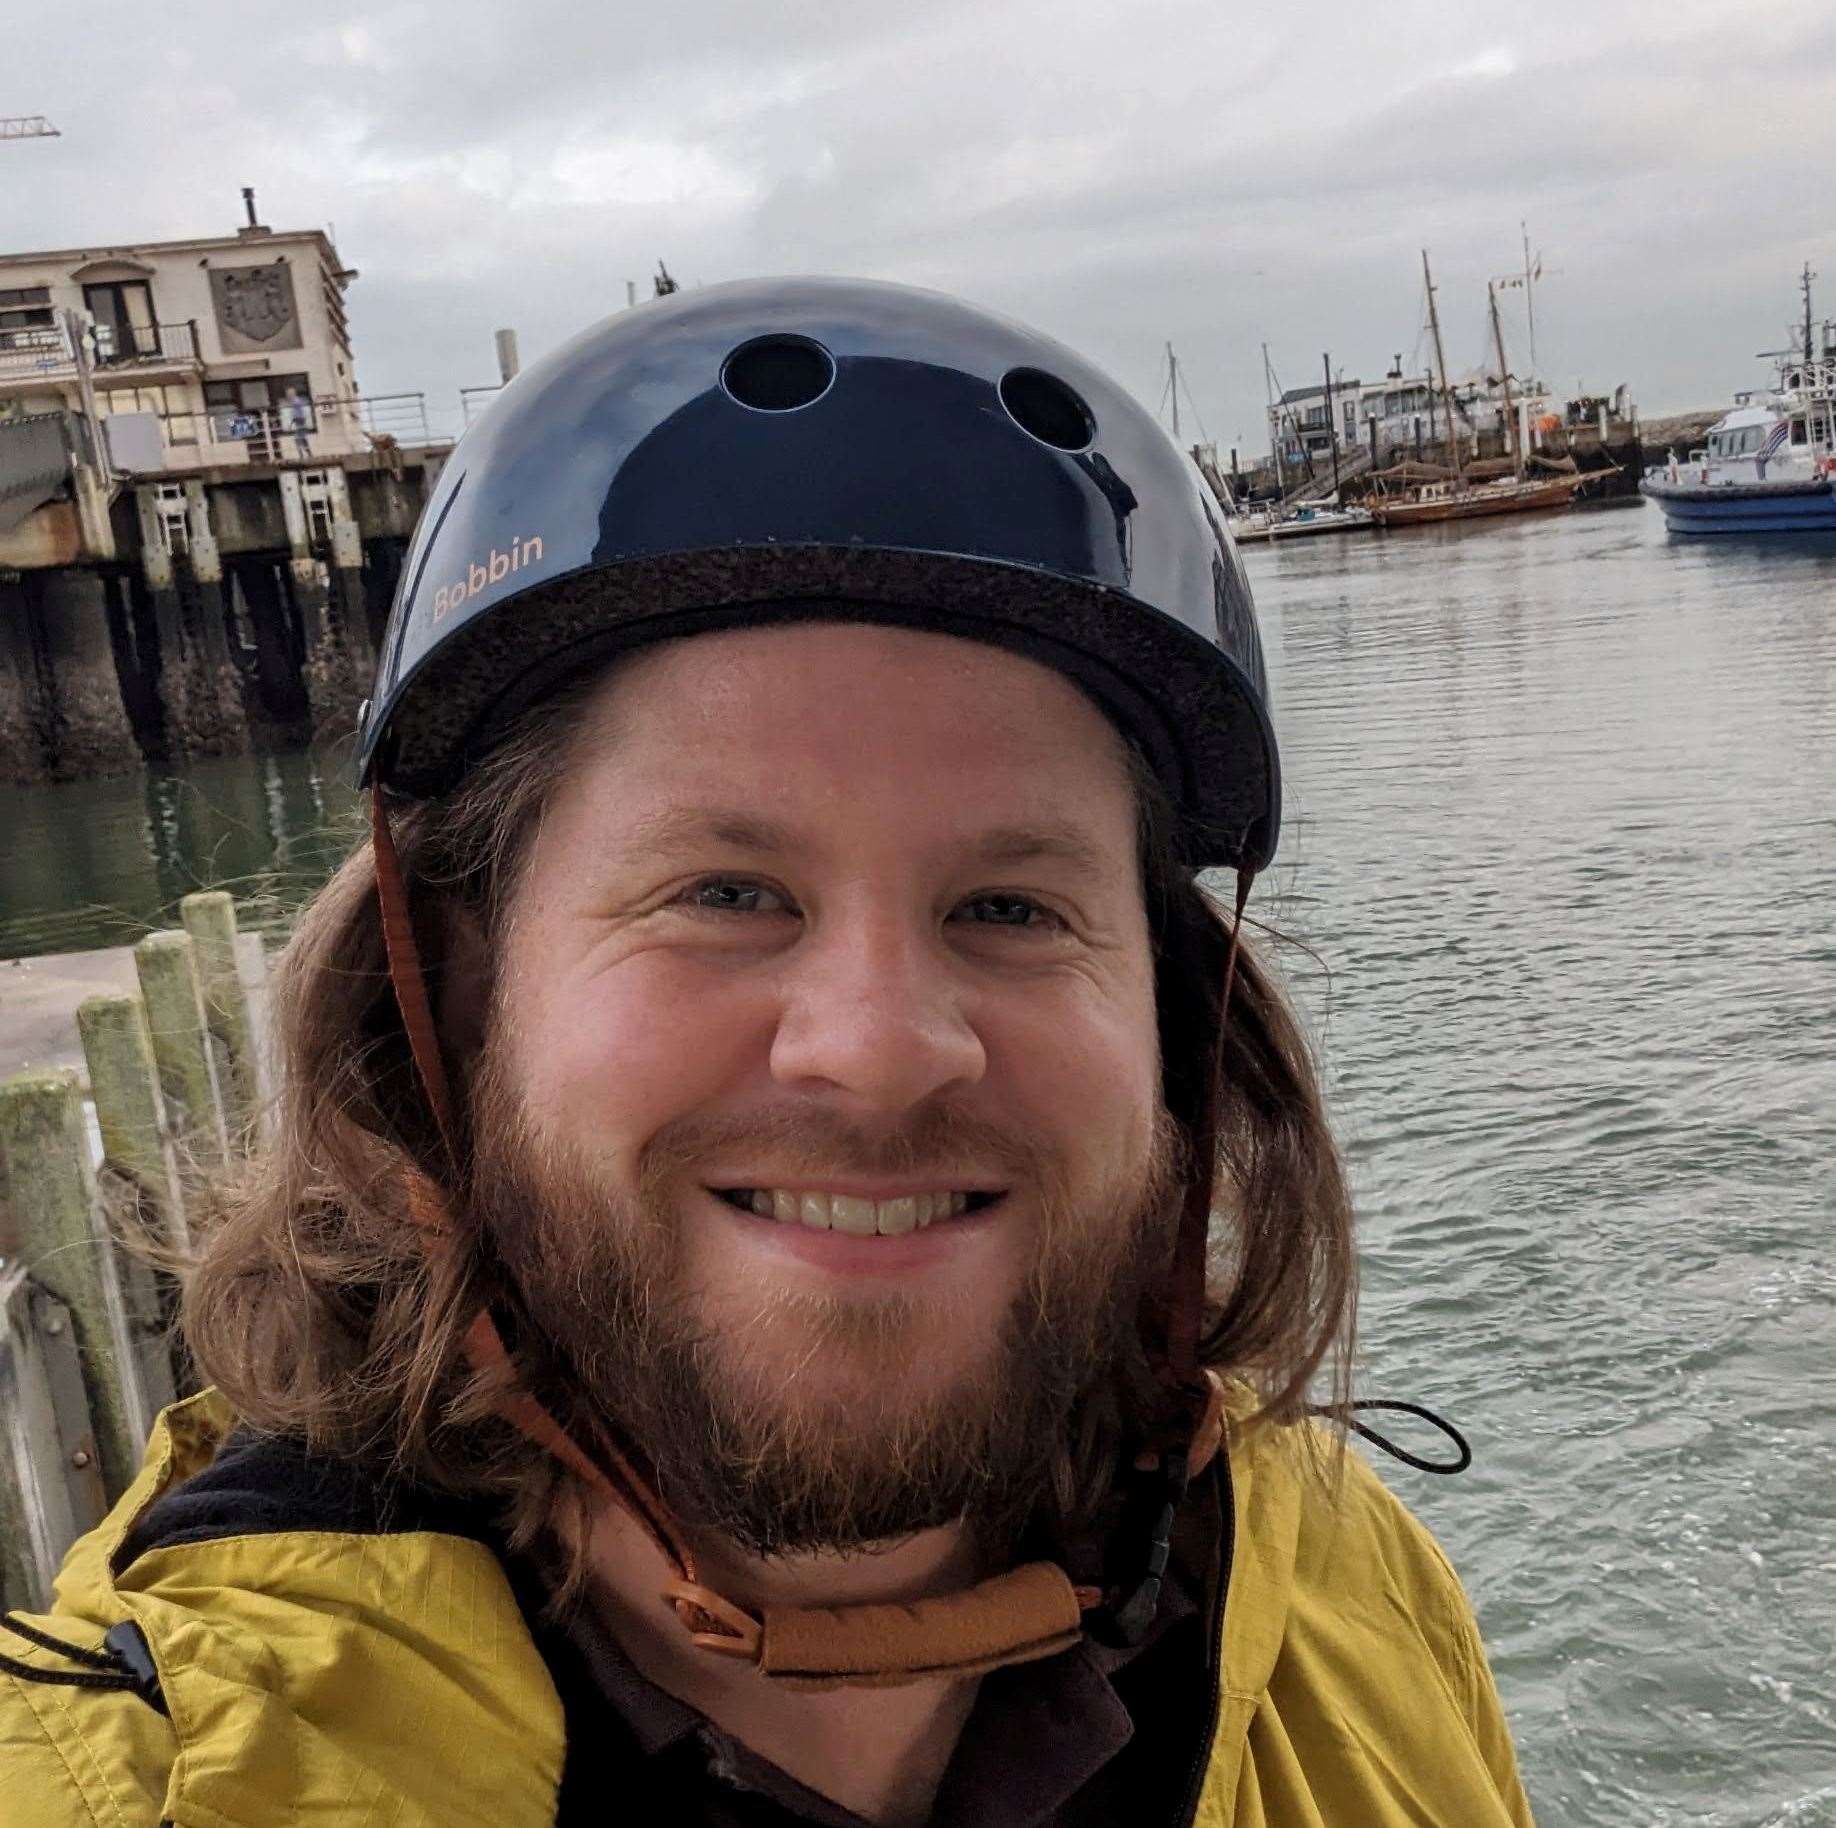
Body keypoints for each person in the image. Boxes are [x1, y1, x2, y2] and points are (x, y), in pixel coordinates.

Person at [0, 279, 1534, 1828]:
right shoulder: (134, 1782)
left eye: (1010, 906)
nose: (876, 1052)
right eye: (724, 895)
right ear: (456, 998)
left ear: (1173, 1019)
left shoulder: (1356, 1607)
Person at [282, 383, 312, 458]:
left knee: (299, 438)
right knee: (300, 438)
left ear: (293, 393)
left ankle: (304, 454)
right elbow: (294, 414)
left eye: (289, 393)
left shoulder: (296, 401)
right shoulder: (294, 401)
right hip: (298, 420)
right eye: (288, 393)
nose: (288, 395)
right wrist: (291, 423)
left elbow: (298, 411)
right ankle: (306, 453)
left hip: (300, 420)